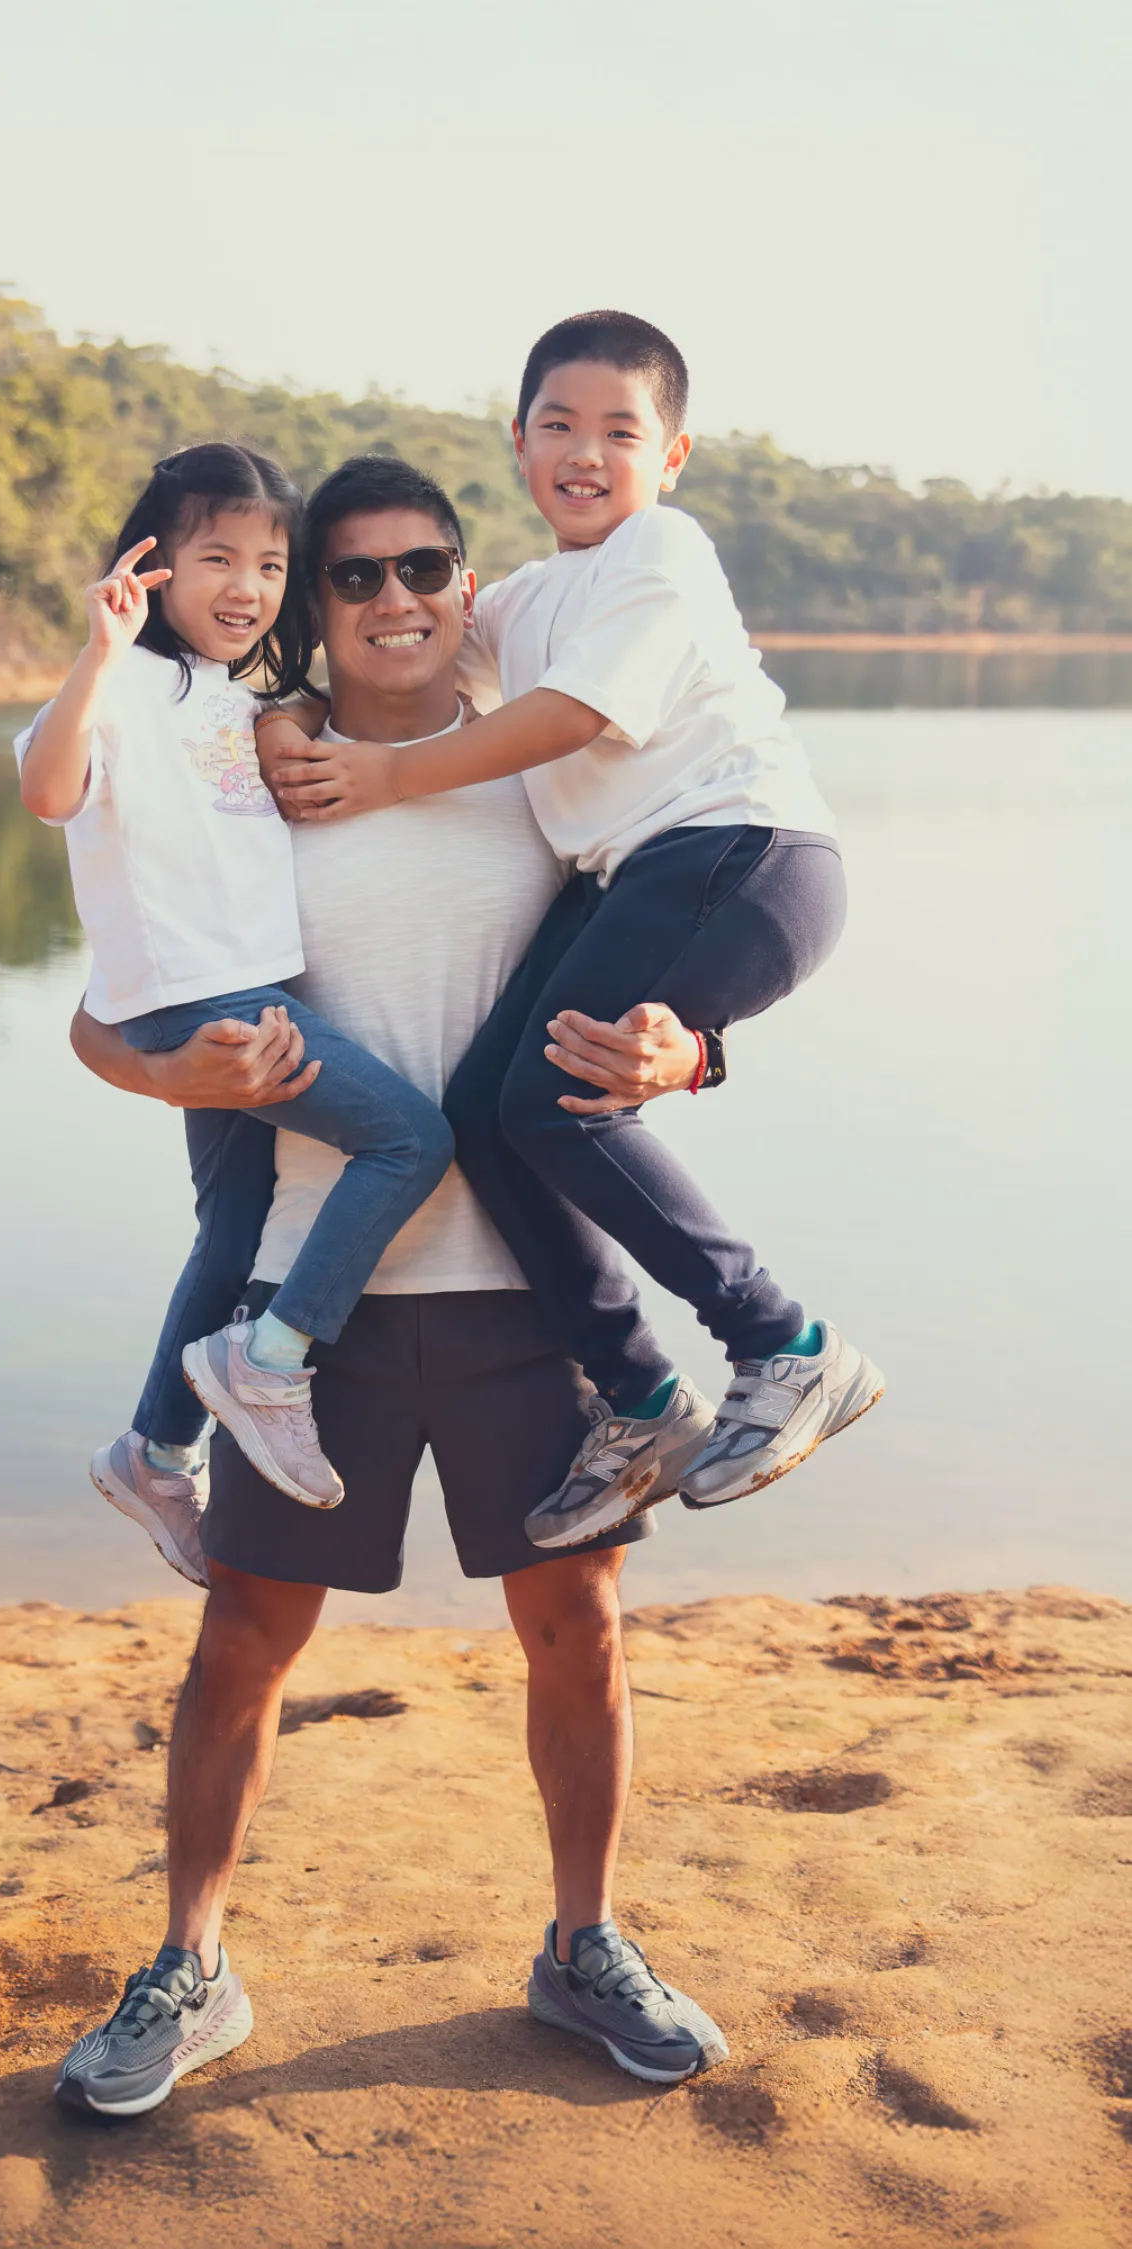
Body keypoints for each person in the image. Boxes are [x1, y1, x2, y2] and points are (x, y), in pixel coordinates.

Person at [52, 455, 729, 2118]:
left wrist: (693, 1050)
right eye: (351, 576)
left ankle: (582, 1940)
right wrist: (169, 1080)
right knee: (243, 1642)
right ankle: (191, 1962)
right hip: (312, 1298)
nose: (393, 598)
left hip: (528, 1284)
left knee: (578, 1628)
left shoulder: (557, 766)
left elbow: (677, 956)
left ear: (467, 575)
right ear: (311, 602)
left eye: (423, 565)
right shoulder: (255, 761)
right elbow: (102, 1008)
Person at [264, 313, 884, 1551]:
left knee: (552, 1107)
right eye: (559, 425)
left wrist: (390, 780)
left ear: (676, 454)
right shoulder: (538, 593)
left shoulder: (663, 551)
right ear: (519, 442)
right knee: (500, 1108)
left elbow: (567, 714)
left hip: (736, 851)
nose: (586, 452)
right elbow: (409, 645)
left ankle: (786, 1343)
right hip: (647, 880)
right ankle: (645, 1399)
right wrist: (287, 708)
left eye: (620, 430)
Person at [15, 442, 455, 1555]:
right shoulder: (124, 686)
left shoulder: (233, 697)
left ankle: (156, 1455)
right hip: (209, 1004)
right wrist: (98, 651)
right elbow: (47, 788)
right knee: (409, 1138)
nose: (247, 588)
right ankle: (272, 1360)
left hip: (236, 991)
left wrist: (294, 719)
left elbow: (282, 717)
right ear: (153, 565)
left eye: (269, 564)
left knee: (233, 1225)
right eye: (218, 558)